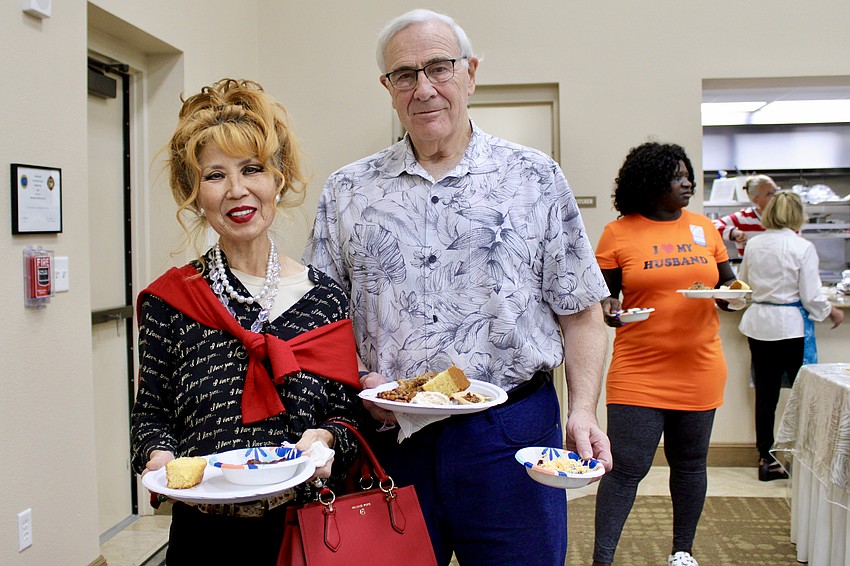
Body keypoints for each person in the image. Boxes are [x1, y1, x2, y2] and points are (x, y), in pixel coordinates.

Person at [302, 9, 611, 566]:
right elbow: (321, 325)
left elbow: (582, 311)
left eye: (439, 68)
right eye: (405, 74)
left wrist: (584, 410)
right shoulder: (348, 191)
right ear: (388, 88)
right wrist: (360, 385)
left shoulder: (535, 178)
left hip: (510, 435)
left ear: (470, 73)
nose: (423, 88)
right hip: (390, 438)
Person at [130, 78, 364, 565]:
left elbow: (347, 414)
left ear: (278, 178)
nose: (237, 190)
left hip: (307, 532)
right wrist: (160, 459)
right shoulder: (171, 301)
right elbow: (150, 416)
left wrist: (326, 439)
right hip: (204, 536)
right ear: (195, 193)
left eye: (252, 169)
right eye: (215, 175)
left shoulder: (324, 299)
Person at [593, 142, 737, 566]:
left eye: (687, 175)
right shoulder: (618, 232)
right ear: (650, 182)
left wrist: (734, 296)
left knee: (690, 465)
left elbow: (728, 285)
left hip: (700, 366)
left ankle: (682, 551)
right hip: (639, 369)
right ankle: (602, 559)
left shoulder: (704, 228)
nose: (687, 183)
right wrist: (612, 313)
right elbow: (605, 299)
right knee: (626, 468)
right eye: (676, 177)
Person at [737, 190, 844, 481]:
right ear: (798, 215)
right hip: (790, 328)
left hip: (759, 324)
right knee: (802, 394)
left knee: (765, 396)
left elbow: (743, 285)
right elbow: (811, 296)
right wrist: (830, 311)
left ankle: (766, 458)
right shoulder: (803, 247)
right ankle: (802, 455)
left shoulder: (754, 244)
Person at [712, 174, 778, 256]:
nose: (775, 197)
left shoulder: (784, 216)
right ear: (755, 199)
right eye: (769, 194)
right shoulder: (742, 218)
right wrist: (733, 233)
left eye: (776, 191)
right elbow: (711, 226)